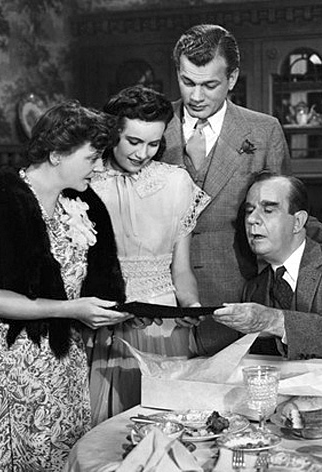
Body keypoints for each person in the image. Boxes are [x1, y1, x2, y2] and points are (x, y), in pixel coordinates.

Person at [0, 101, 131, 471]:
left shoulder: (78, 207)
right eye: (91, 157)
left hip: (63, 364)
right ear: (57, 154)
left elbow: (88, 286)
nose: (98, 167)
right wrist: (70, 309)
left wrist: (101, 311)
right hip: (5, 363)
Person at [161, 24, 322, 356]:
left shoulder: (263, 131)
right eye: (187, 82)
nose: (196, 96)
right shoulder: (152, 127)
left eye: (209, 85)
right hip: (161, 299)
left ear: (232, 78)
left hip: (237, 301)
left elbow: (285, 207)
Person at [87, 85, 210, 424]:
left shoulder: (176, 183)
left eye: (153, 144)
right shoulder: (85, 182)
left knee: (165, 428)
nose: (143, 153)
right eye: (134, 141)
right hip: (105, 325)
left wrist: (192, 305)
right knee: (109, 432)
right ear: (113, 133)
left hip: (164, 328)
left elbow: (181, 269)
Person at [213, 172, 322, 360]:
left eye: (268, 210)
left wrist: (273, 320)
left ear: (298, 222)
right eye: (249, 211)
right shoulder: (254, 289)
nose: (252, 219)